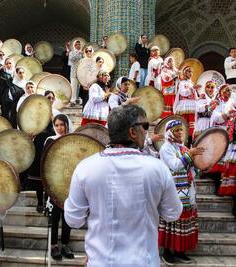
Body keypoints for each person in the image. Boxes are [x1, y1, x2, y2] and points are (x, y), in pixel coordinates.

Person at [64, 105, 183, 267]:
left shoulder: (86, 167)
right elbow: (173, 213)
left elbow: (73, 219)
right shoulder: (158, 168)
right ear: (133, 132)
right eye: (145, 126)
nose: (147, 131)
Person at [158, 119, 204, 265]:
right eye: (176, 130)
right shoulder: (166, 148)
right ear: (169, 132)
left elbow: (189, 166)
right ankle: (167, 252)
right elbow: (175, 165)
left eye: (180, 130)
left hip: (186, 188)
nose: (179, 132)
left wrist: (198, 165)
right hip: (173, 189)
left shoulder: (182, 147)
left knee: (184, 220)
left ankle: (179, 251)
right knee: (171, 219)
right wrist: (190, 154)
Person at [44, 114, 75, 260]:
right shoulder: (50, 140)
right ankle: (54, 246)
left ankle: (65, 244)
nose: (60, 128)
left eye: (62, 125)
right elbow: (46, 163)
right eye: (56, 125)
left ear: (67, 125)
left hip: (70, 184)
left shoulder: (73, 141)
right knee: (55, 216)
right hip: (54, 183)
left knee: (68, 216)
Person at [173, 66, 199, 140]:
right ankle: (184, 140)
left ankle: (191, 140)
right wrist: (192, 89)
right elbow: (183, 93)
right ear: (185, 73)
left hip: (192, 105)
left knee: (192, 124)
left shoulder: (191, 83)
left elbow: (195, 95)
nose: (190, 73)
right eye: (188, 71)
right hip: (185, 105)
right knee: (184, 124)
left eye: (191, 72)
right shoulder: (182, 83)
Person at [69, 40, 83, 105]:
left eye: (79, 44)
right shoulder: (72, 52)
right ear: (74, 46)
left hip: (81, 73)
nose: (78, 45)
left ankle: (79, 99)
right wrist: (78, 53)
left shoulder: (82, 53)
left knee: (80, 87)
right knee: (73, 86)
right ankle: (73, 101)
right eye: (76, 44)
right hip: (74, 73)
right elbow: (72, 59)